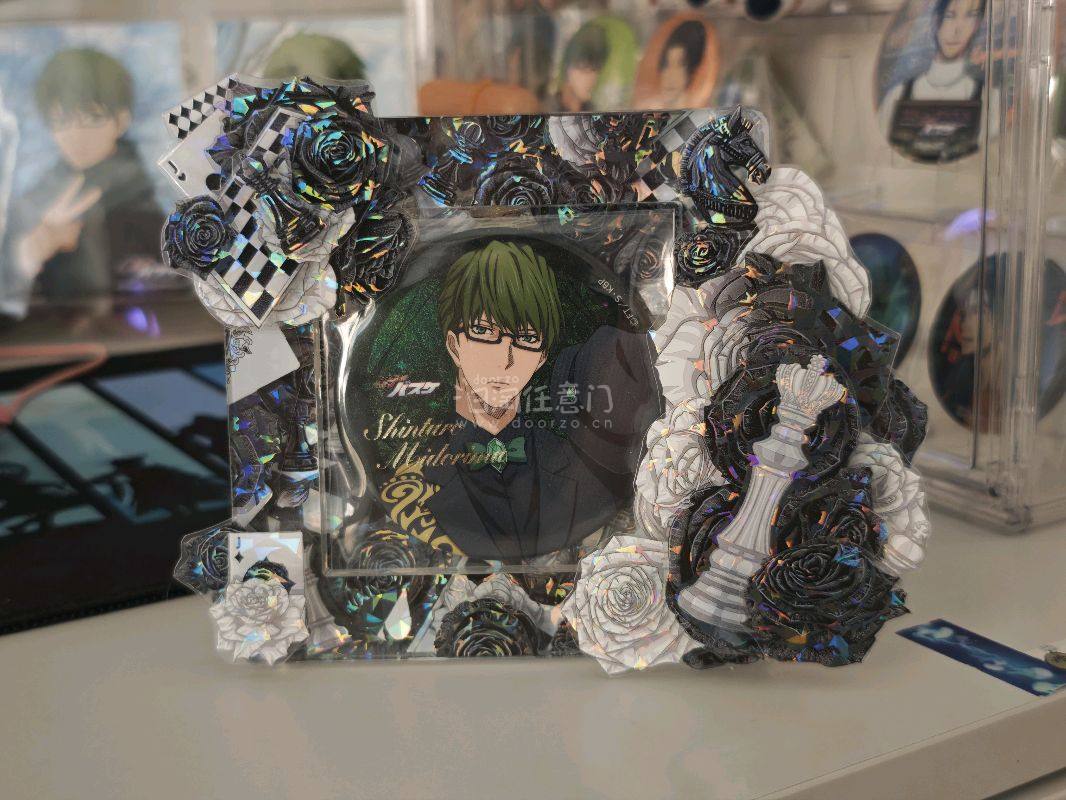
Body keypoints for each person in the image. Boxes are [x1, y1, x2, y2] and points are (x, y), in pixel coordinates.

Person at [387, 240, 661, 561]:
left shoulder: (585, 476)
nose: (506, 360)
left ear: (542, 356)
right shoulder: (411, 483)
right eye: (484, 331)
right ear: (453, 344)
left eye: (526, 339)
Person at [1, 48, 170, 319]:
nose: (76, 134)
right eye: (61, 121)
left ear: (122, 120)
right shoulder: (40, 195)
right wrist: (30, 252)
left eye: (93, 118)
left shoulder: (146, 191)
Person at [879, 0, 990, 161]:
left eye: (970, 16)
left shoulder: (989, 99)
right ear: (936, 20)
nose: (957, 30)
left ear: (978, 24)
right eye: (949, 16)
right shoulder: (896, 95)